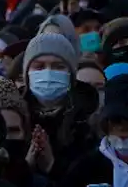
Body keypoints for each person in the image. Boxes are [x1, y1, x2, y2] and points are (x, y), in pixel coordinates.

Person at [22, 33, 99, 178]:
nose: (48, 73)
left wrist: (53, 167)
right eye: (39, 67)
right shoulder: (13, 116)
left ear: (71, 74)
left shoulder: (88, 117)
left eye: (58, 67)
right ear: (26, 74)